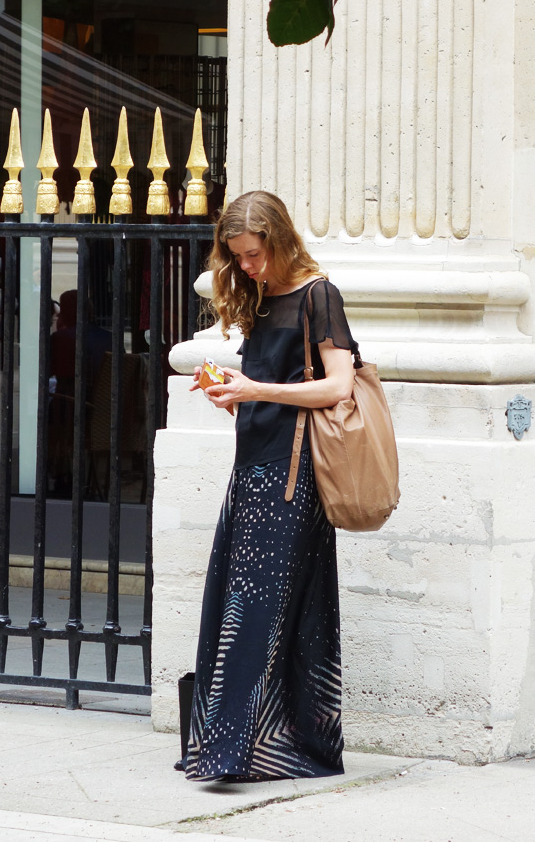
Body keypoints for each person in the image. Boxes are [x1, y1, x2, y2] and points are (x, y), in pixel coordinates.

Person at [179, 190, 356, 782]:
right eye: (238, 256)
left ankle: (246, 751)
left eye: (254, 253)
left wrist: (258, 390)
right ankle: (242, 746)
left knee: (261, 611)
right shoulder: (258, 295)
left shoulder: (318, 294)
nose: (247, 266)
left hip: (294, 477)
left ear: (278, 239)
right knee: (236, 604)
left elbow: (338, 388)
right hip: (252, 467)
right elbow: (266, 384)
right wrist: (230, 385)